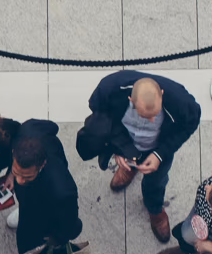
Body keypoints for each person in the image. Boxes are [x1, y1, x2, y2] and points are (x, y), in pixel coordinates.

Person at [76, 71, 202, 243]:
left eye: (155, 115)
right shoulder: (110, 89)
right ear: (131, 100)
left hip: (157, 149)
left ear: (162, 95)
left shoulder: (181, 101)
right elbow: (102, 119)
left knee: (156, 181)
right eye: (145, 115)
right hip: (126, 143)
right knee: (129, 164)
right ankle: (129, 170)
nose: (151, 121)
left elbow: (190, 124)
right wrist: (118, 148)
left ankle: (155, 209)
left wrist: (160, 154)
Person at [11, 120, 85, 254]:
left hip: (47, 208)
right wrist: (10, 174)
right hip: (32, 196)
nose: (19, 181)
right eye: (17, 173)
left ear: (42, 165)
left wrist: (54, 240)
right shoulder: (27, 130)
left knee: (29, 243)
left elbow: (68, 224)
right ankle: (23, 210)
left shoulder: (62, 192)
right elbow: (53, 127)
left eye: (26, 176)